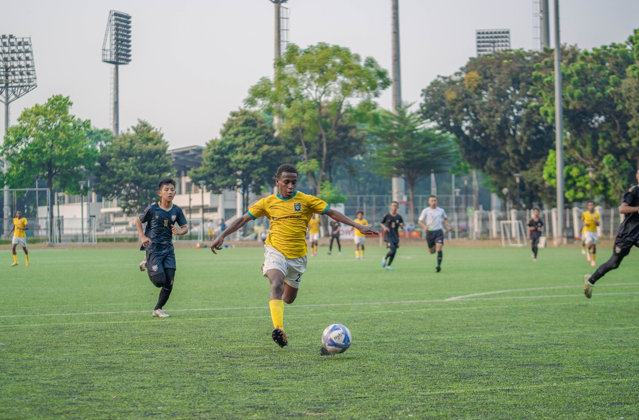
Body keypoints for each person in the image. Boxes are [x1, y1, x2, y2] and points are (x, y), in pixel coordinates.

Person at [210, 164, 377, 348]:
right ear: (277, 182)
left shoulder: (306, 200)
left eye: (294, 182)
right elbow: (243, 219)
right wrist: (222, 235)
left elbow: (332, 213)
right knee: (276, 285)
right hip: (276, 251)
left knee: (288, 299)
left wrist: (357, 226)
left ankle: (270, 270)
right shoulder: (267, 202)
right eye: (286, 182)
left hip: (297, 257)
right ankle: (278, 328)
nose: (290, 186)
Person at [135, 178, 189, 318]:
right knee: (160, 282)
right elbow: (138, 221)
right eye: (166, 190)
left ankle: (158, 309)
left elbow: (185, 228)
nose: (169, 192)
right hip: (154, 248)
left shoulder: (176, 210)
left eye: (172, 190)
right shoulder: (153, 209)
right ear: (160, 193)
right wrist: (142, 237)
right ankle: (147, 262)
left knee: (170, 280)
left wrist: (179, 231)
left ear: (175, 192)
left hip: (168, 249)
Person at [584, 169, 639, 298]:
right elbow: (622, 209)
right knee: (614, 263)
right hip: (627, 233)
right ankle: (591, 281)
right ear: (637, 176)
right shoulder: (635, 191)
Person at [418, 196, 451, 272]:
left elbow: (445, 218)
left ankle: (438, 266)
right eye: (432, 200)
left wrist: (447, 225)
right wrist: (425, 227)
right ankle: (434, 246)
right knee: (432, 252)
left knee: (439, 248)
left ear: (437, 202)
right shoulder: (426, 211)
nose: (433, 202)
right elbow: (420, 221)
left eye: (434, 200)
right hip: (430, 232)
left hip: (439, 231)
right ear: (429, 202)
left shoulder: (441, 210)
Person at [380, 201, 404, 271]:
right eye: (393, 206)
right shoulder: (387, 216)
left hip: (395, 236)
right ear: (390, 207)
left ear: (398, 207)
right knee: (392, 249)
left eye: (396, 206)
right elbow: (381, 223)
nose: (394, 207)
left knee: (394, 251)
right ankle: (385, 258)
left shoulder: (399, 217)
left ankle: (388, 265)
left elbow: (402, 226)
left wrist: (401, 226)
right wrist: (384, 228)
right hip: (388, 236)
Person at [582, 201, 600, 267]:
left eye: (592, 205)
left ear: (594, 206)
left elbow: (598, 224)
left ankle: (593, 260)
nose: (591, 206)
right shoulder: (585, 213)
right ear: (587, 206)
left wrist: (596, 222)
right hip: (587, 231)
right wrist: (584, 224)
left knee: (594, 246)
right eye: (589, 205)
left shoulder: (596, 215)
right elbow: (582, 220)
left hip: (594, 231)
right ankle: (587, 252)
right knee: (590, 243)